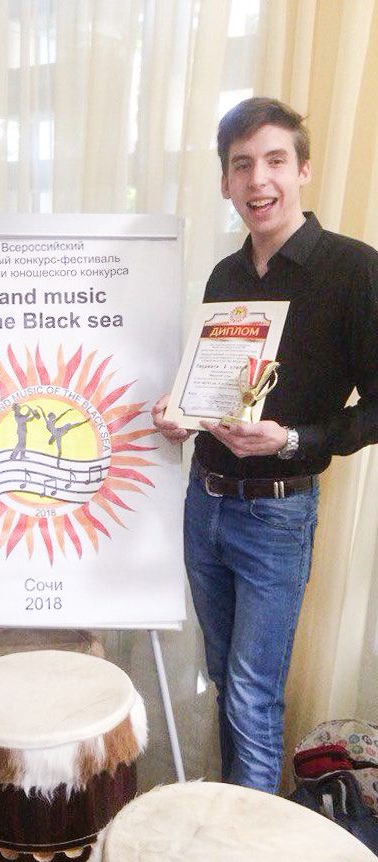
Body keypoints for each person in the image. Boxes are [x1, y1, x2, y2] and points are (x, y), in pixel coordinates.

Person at [153, 98, 378, 793]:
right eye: (241, 165)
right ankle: (233, 817)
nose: (259, 180)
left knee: (252, 695)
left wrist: (292, 439)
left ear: (302, 170)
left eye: (275, 161)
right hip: (205, 504)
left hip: (277, 515)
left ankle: (247, 848)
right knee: (225, 681)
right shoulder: (225, 276)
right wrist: (184, 414)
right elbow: (222, 390)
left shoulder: (355, 270)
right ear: (225, 181)